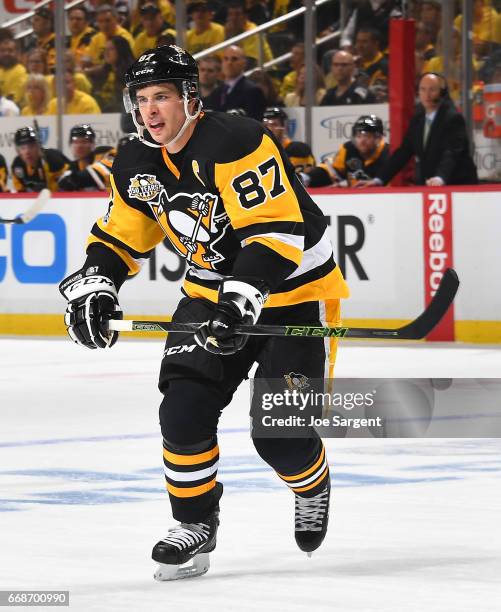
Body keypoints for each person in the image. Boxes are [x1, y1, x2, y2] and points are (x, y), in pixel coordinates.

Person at [58, 45, 349, 581]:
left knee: (281, 436)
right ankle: (194, 525)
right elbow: (122, 236)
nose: (150, 111)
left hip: (293, 295)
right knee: (182, 413)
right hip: (210, 293)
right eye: (142, 99)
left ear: (190, 98)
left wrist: (242, 296)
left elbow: (273, 230)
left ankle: (311, 484)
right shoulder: (137, 160)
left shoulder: (236, 140)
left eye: (162, 97)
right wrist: (98, 282)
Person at [358, 73, 478, 187]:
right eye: (423, 89)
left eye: (432, 89)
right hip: (430, 185)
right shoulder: (418, 119)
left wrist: (440, 177)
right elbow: (403, 152)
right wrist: (379, 179)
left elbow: (452, 152)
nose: (427, 94)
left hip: (458, 184)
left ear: (442, 93)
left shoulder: (452, 117)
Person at [304, 115, 389, 187]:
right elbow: (332, 173)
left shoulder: (388, 153)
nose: (361, 141)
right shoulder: (348, 149)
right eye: (358, 136)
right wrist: (307, 177)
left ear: (378, 138)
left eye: (367, 136)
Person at [204, 45, 267, 120]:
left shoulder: (253, 91)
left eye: (234, 59)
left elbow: (256, 122)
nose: (229, 62)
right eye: (226, 59)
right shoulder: (216, 92)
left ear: (244, 63)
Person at [58, 124, 115, 191]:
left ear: (93, 144)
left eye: (84, 142)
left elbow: (106, 169)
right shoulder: (71, 168)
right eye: (75, 142)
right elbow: (63, 183)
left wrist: (76, 179)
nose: (79, 146)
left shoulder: (105, 153)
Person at [11, 126, 68, 192]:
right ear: (18, 151)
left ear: (38, 146)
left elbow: (69, 186)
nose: (27, 152)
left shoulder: (53, 160)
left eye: (31, 146)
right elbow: (20, 192)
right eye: (23, 148)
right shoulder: (17, 165)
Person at [262, 106, 315, 172]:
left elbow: (303, 177)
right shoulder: (262, 152)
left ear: (284, 127)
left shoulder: (298, 149)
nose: (269, 129)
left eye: (274, 125)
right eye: (266, 125)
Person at [0, 35, 28, 107]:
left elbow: (12, 101)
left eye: (10, 50)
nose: (6, 53)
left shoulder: (20, 71)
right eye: (3, 51)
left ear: (17, 53)